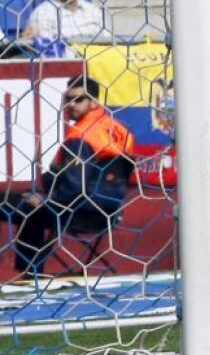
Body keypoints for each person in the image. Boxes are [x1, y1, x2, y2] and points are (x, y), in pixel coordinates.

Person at [3, 76, 134, 278]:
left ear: (94, 102)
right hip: (109, 213)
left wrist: (46, 200)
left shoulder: (80, 136)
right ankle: (30, 272)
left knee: (27, 206)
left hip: (77, 212)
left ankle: (29, 275)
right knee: (33, 203)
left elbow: (74, 189)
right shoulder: (119, 130)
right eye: (68, 99)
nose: (72, 105)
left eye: (79, 99)